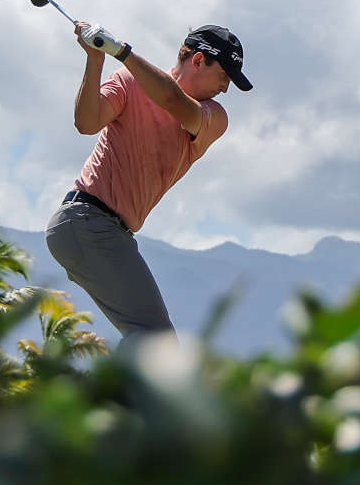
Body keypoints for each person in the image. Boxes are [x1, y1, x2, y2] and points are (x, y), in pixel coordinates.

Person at [45, 19, 252, 341]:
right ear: (198, 60)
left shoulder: (214, 115)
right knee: (155, 340)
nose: (225, 88)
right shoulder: (128, 80)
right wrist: (96, 58)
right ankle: (103, 393)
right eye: (223, 75)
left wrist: (119, 51)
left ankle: (107, 391)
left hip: (103, 230)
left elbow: (172, 101)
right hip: (85, 219)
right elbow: (86, 123)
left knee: (148, 337)